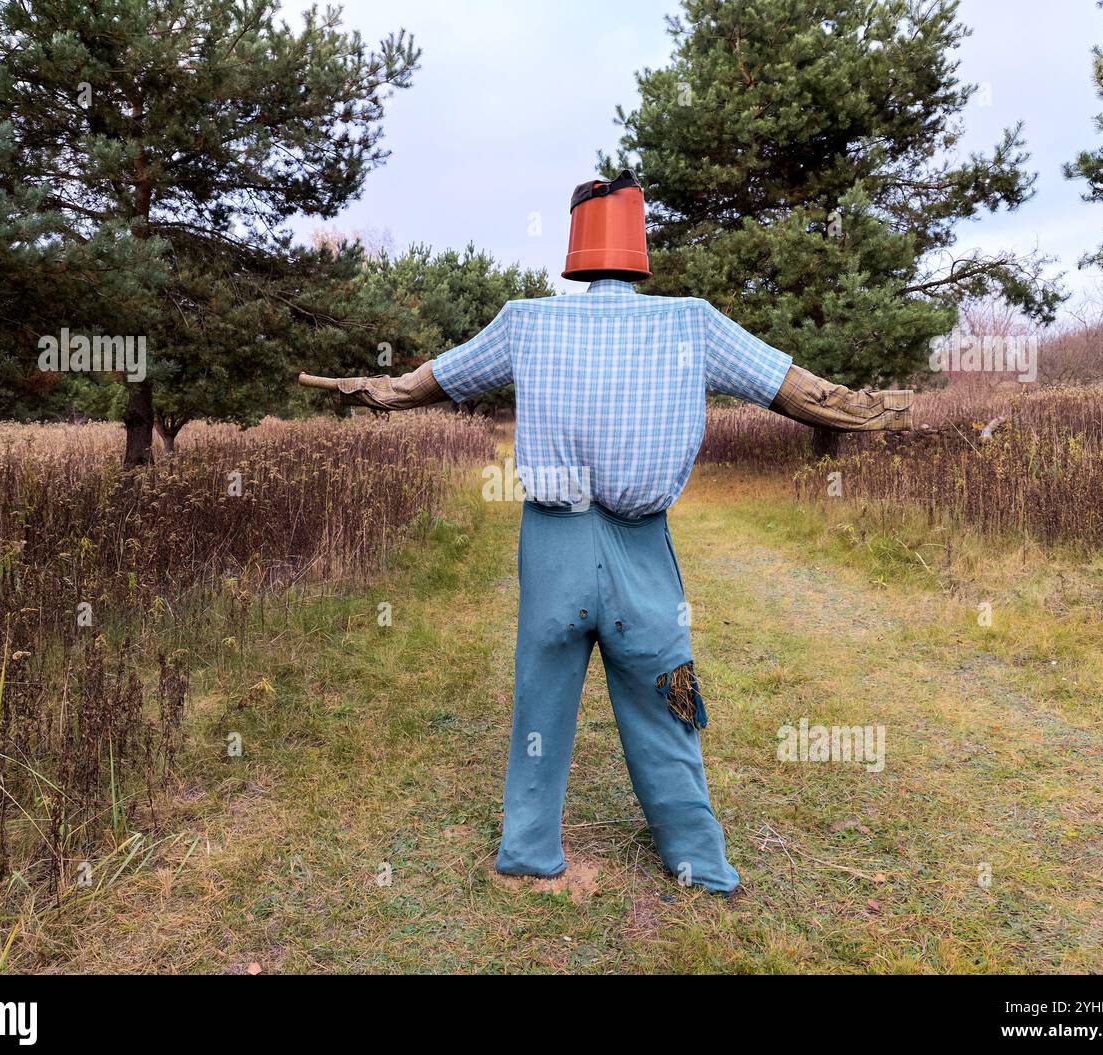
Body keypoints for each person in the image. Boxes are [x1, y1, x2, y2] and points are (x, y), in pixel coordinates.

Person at [300, 171, 911, 896]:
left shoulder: (526, 321)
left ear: (575, 245)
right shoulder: (692, 320)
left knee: (541, 701)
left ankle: (528, 849)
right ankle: (701, 863)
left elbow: (435, 378)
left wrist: (370, 390)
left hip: (551, 545)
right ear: (639, 242)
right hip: (640, 547)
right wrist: (880, 410)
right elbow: (797, 389)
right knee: (664, 699)